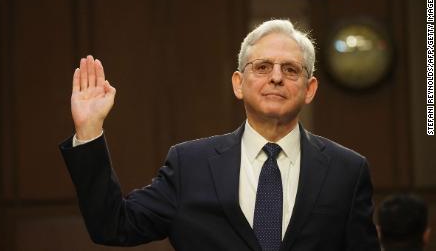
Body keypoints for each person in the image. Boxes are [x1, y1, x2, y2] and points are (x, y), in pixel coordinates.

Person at [60, 19, 380, 250]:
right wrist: (89, 131)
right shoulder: (189, 165)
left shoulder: (347, 170)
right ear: (238, 83)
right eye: (263, 67)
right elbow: (113, 226)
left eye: (291, 69)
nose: (277, 78)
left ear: (309, 89)